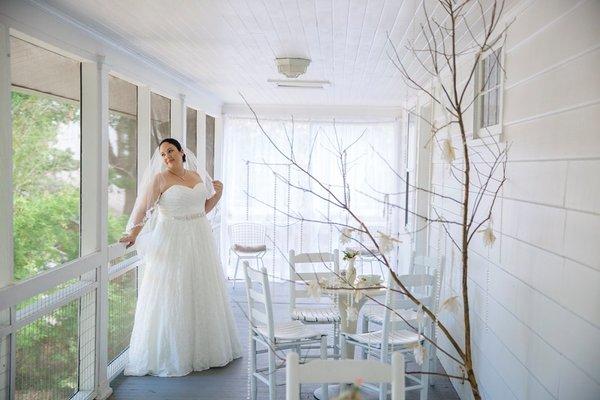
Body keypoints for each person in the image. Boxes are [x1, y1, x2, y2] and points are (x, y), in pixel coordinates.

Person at [119, 138, 241, 377]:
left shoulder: (196, 176)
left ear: (182, 152)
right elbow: (144, 208)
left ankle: (204, 348)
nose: (167, 157)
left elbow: (203, 208)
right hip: (173, 239)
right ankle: (174, 352)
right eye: (163, 154)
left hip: (199, 236)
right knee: (174, 291)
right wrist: (133, 233)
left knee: (201, 289)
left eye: (170, 151)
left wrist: (220, 193)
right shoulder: (160, 179)